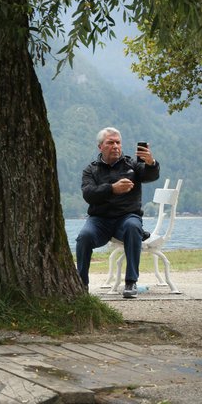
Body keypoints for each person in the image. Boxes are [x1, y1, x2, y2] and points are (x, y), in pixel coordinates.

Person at [75, 127, 160, 298]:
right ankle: (81, 285)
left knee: (132, 227)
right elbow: (89, 194)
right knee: (84, 237)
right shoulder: (91, 170)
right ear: (100, 146)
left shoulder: (133, 165)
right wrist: (112, 189)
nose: (115, 146)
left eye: (118, 142)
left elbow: (150, 176)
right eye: (110, 142)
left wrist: (151, 163)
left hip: (127, 217)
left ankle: (131, 283)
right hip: (99, 220)